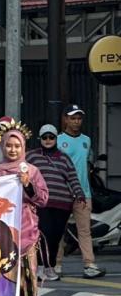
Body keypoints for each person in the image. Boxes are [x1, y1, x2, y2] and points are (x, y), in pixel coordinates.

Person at [0, 122, 48, 296]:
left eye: (17, 146)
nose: (12, 149)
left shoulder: (31, 171)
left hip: (27, 230)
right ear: (2, 146)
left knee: (24, 277)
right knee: (4, 274)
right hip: (2, 231)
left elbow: (43, 198)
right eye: (9, 145)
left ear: (24, 148)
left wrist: (28, 184)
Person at [27, 124, 84, 281]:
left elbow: (72, 178)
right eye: (44, 137)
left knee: (55, 237)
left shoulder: (64, 158)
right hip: (41, 204)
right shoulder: (31, 156)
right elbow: (20, 172)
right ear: (40, 139)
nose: (48, 140)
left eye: (51, 137)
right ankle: (39, 266)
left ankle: (49, 267)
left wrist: (79, 194)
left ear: (56, 139)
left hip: (63, 204)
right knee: (43, 235)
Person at [57, 104, 106, 278]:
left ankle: (89, 264)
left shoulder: (86, 140)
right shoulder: (57, 140)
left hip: (83, 193)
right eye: (73, 118)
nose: (76, 122)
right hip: (62, 193)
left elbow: (88, 162)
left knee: (85, 231)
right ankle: (56, 266)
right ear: (65, 119)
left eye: (79, 118)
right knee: (59, 231)